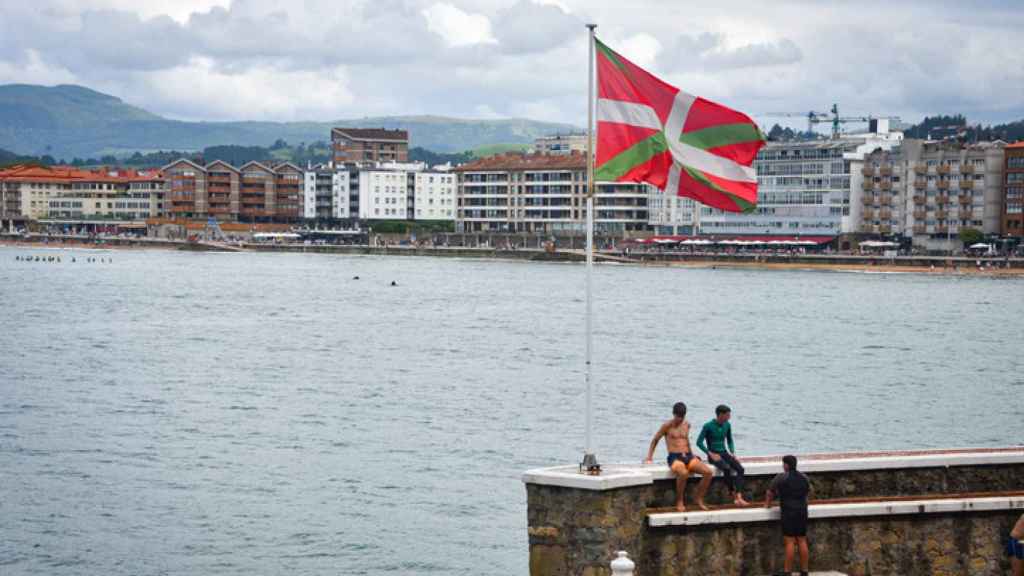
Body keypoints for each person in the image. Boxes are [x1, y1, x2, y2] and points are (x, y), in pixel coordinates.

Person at [644, 402, 713, 511]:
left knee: (708, 472)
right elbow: (655, 440)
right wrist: (649, 456)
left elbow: (686, 440)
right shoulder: (666, 426)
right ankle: (679, 500)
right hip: (674, 457)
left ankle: (698, 498)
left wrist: (692, 453)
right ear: (673, 414)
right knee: (683, 473)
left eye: (682, 417)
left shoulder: (687, 425)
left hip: (688, 456)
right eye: (678, 417)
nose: (680, 419)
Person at [764, 455, 811, 576]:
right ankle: (804, 571)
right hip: (802, 511)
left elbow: (770, 492)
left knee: (790, 541)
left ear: (786, 465)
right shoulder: (804, 477)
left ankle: (787, 572)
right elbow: (808, 493)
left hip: (788, 511)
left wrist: (768, 505)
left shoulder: (780, 477)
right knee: (802, 539)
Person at [696, 404, 749, 506]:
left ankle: (739, 495)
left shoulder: (727, 425)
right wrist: (709, 453)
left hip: (724, 453)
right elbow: (699, 442)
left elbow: (729, 440)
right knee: (726, 468)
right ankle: (733, 494)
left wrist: (732, 452)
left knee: (741, 469)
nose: (729, 417)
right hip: (713, 455)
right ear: (720, 415)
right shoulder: (708, 426)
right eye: (727, 415)